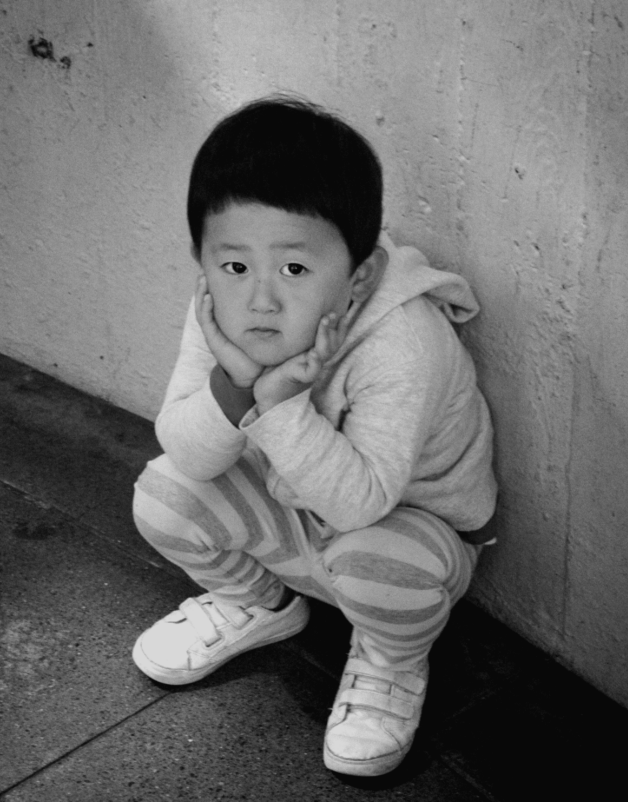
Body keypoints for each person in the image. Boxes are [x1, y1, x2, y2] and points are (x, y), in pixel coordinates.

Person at [130, 95, 497, 777]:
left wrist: (280, 403)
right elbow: (186, 449)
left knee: (379, 560)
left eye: (295, 269)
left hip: (408, 541)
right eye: (234, 265)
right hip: (295, 517)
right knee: (163, 494)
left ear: (360, 276)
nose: (261, 300)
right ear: (204, 259)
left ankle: (390, 661)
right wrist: (235, 383)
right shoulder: (224, 309)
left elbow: (361, 505)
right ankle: (260, 603)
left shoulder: (402, 341)